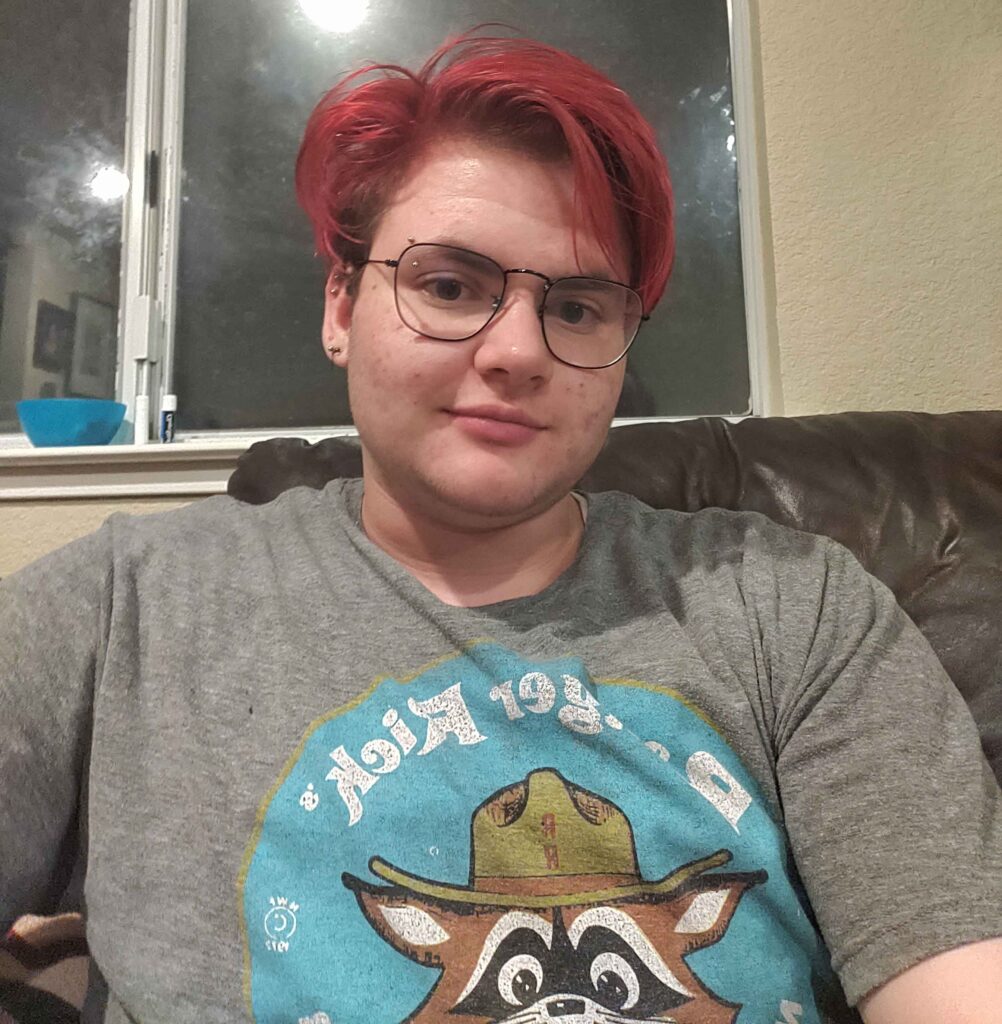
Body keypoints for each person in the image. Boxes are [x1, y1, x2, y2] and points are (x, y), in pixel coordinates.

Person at [1, 29, 1000, 1024]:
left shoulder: (801, 611)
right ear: (341, 306)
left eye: (577, 307)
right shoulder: (122, 609)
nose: (518, 349)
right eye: (449, 285)